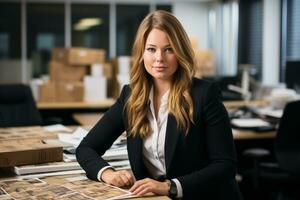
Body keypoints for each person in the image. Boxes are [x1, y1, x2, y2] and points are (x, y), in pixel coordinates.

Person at [76, 10, 241, 200]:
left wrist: (169, 187)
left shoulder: (204, 94)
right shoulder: (131, 96)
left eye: (169, 49)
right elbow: (86, 148)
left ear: (180, 52)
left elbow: (225, 166)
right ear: (141, 53)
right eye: (151, 49)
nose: (159, 58)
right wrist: (109, 174)